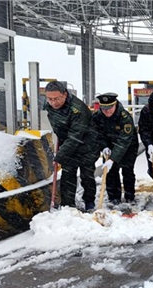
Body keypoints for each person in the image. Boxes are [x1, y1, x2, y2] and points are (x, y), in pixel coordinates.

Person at [44, 81, 99, 211]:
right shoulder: (49, 106)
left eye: (56, 99)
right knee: (68, 176)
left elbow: (75, 136)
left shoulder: (78, 109)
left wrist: (59, 156)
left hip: (87, 146)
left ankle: (89, 202)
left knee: (87, 176)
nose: (53, 102)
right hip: (68, 144)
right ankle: (68, 206)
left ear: (65, 94)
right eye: (50, 99)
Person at [92, 92, 139, 206]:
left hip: (128, 147)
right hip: (109, 147)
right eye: (104, 109)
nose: (107, 111)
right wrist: (104, 147)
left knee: (127, 171)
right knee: (110, 172)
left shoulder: (125, 117)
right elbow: (97, 134)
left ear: (115, 105)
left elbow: (124, 141)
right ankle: (114, 197)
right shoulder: (97, 117)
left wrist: (112, 159)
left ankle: (129, 196)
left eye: (109, 108)